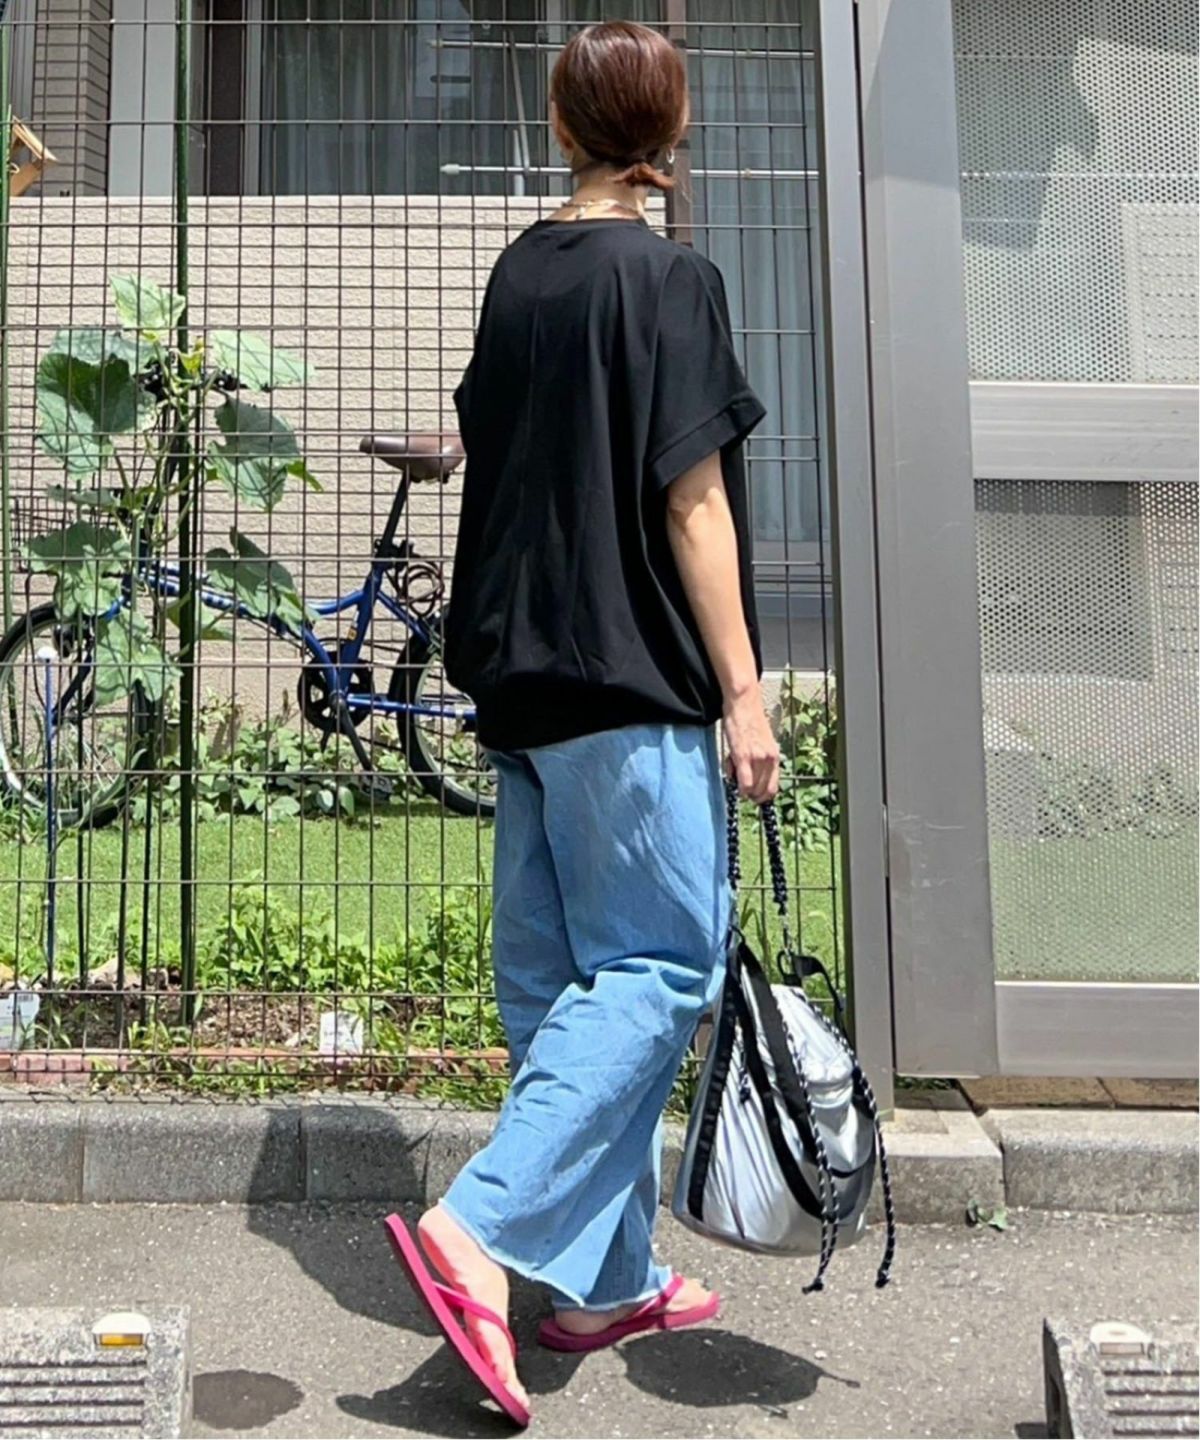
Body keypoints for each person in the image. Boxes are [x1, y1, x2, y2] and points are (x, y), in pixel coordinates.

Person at [384, 19, 779, 1426]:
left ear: (560, 128)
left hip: (521, 683)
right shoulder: (672, 281)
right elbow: (694, 499)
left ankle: (606, 1283)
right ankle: (480, 1228)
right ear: (670, 133)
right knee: (660, 969)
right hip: (627, 686)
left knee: (562, 996)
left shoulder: (521, 274)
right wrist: (744, 688)